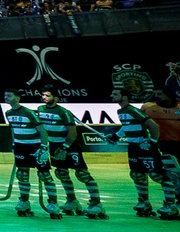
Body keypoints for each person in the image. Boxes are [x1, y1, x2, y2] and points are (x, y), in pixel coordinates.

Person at [35, 86, 106, 218]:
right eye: (43, 95)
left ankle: (97, 203)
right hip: (54, 146)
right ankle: (72, 200)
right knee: (61, 173)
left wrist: (65, 147)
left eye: (47, 95)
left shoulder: (64, 112)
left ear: (56, 98)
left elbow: (73, 132)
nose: (44, 97)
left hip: (69, 147)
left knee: (82, 174)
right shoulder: (40, 109)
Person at [114, 85, 175, 218]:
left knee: (157, 175)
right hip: (133, 147)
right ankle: (144, 202)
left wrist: (151, 142)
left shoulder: (133, 110)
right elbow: (126, 126)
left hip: (145, 148)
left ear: (124, 97)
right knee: (137, 174)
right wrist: (116, 136)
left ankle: (171, 204)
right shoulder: (121, 111)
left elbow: (154, 126)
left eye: (115, 94)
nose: (112, 96)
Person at [2, 87, 62, 218]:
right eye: (5, 96)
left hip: (35, 147)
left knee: (44, 175)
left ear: (17, 98)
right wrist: (14, 144)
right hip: (20, 146)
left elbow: (42, 131)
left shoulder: (28, 112)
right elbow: (13, 130)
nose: (6, 98)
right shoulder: (8, 113)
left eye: (9, 95)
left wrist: (44, 147)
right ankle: (24, 202)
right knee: (22, 174)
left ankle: (53, 204)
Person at [140, 83, 180, 218]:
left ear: (169, 95)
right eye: (155, 94)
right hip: (161, 146)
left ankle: (173, 203)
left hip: (178, 145)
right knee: (161, 175)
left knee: (175, 176)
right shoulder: (148, 108)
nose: (156, 96)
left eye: (159, 94)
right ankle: (170, 202)